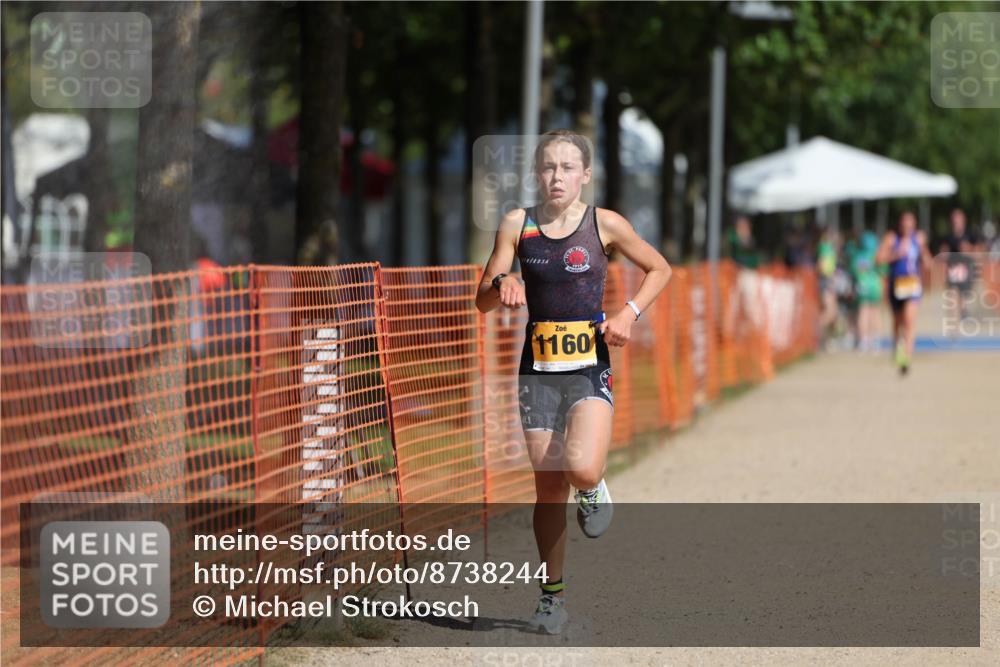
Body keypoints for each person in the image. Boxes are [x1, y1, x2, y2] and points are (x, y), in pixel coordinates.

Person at [475, 130, 672, 634]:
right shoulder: (518, 225)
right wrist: (506, 282)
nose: (556, 176)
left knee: (580, 470)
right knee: (546, 488)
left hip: (588, 366)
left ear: (586, 175)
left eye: (567, 167)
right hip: (536, 370)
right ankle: (551, 599)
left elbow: (659, 268)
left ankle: (593, 487)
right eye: (548, 167)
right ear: (536, 173)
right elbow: (483, 295)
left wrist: (628, 313)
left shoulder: (603, 224)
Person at [876, 211, 932, 375]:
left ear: (914, 224)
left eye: (910, 223)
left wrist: (926, 259)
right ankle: (897, 348)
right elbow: (879, 259)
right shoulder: (891, 238)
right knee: (897, 322)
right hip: (896, 285)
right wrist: (895, 254)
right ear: (900, 224)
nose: (907, 226)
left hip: (913, 284)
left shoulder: (919, 239)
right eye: (904, 223)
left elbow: (926, 259)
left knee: (909, 320)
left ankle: (907, 357)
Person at [938, 208, 981, 323]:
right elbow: (942, 254)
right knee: (952, 295)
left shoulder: (971, 235)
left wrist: (969, 249)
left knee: (963, 295)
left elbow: (979, 253)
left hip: (967, 270)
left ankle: (963, 310)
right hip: (953, 270)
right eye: (954, 220)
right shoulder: (948, 237)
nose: (956, 222)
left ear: (963, 220)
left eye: (958, 219)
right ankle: (954, 320)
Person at [852, 231, 884, 353]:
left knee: (863, 312)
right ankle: (875, 340)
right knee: (875, 313)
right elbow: (883, 270)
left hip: (862, 286)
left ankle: (863, 340)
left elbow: (855, 270)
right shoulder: (877, 255)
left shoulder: (858, 255)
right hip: (875, 286)